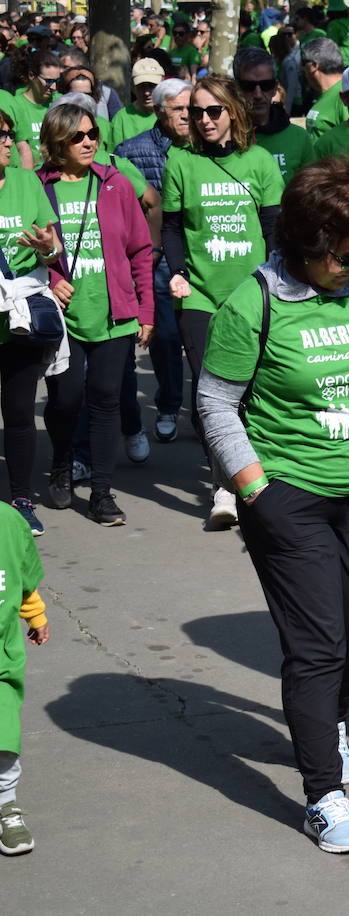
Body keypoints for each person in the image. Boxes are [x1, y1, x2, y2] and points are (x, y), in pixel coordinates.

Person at [198, 156, 349, 854]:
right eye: (347, 252)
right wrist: (253, 487)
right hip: (289, 496)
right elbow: (215, 402)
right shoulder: (255, 302)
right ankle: (322, 795)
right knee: (318, 646)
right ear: (307, 242)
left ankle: (325, 720)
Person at [162, 74, 285, 527]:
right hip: (199, 295)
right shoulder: (180, 161)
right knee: (210, 392)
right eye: (196, 112)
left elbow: (274, 229)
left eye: (214, 111)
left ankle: (254, 474)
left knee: (252, 392)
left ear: (233, 111)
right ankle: (224, 487)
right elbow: (172, 227)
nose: (205, 120)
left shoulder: (259, 162)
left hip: (251, 295)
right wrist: (176, 273)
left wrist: (277, 283)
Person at [37, 103, 155, 527]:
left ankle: (102, 493)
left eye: (92, 135)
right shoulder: (39, 188)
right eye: (78, 137)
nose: (88, 143)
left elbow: (140, 249)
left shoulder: (116, 186)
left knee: (106, 400)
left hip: (113, 315)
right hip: (63, 319)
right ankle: (62, 462)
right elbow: (19, 251)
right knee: (66, 400)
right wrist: (51, 279)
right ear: (56, 143)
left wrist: (146, 308)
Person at [116, 78, 192, 445]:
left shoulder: (205, 147)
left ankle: (207, 412)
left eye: (189, 108)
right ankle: (167, 405)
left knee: (204, 340)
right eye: (178, 109)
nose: (187, 116)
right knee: (165, 337)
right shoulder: (131, 151)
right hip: (157, 257)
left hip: (203, 255)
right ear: (160, 110)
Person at [0, 109, 63, 536]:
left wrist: (46, 247)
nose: (9, 141)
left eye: (8, 134)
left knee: (21, 412)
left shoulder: (26, 182)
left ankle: (21, 499)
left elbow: (53, 250)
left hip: (19, 318)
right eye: (0, 136)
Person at [0, 500, 49, 856]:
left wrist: (36, 615)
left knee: (3, 737)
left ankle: (6, 805)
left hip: (0, 660)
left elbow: (23, 579)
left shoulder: (7, 521)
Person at [234, 47, 315, 183]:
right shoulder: (225, 136)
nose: (258, 94)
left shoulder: (299, 138)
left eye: (266, 85)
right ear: (236, 88)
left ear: (275, 88)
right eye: (249, 86)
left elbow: (311, 192)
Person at [11, 52, 62, 169]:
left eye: (57, 81)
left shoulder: (60, 102)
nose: (53, 87)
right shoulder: (15, 105)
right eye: (48, 81)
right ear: (31, 75)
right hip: (32, 173)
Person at [109, 57, 162, 149]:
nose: (147, 92)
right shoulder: (122, 118)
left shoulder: (170, 114)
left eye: (152, 86)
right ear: (132, 87)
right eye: (141, 86)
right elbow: (114, 156)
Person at [301, 36, 346, 138]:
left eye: (303, 63)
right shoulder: (327, 93)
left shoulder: (346, 95)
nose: (301, 68)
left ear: (313, 66)